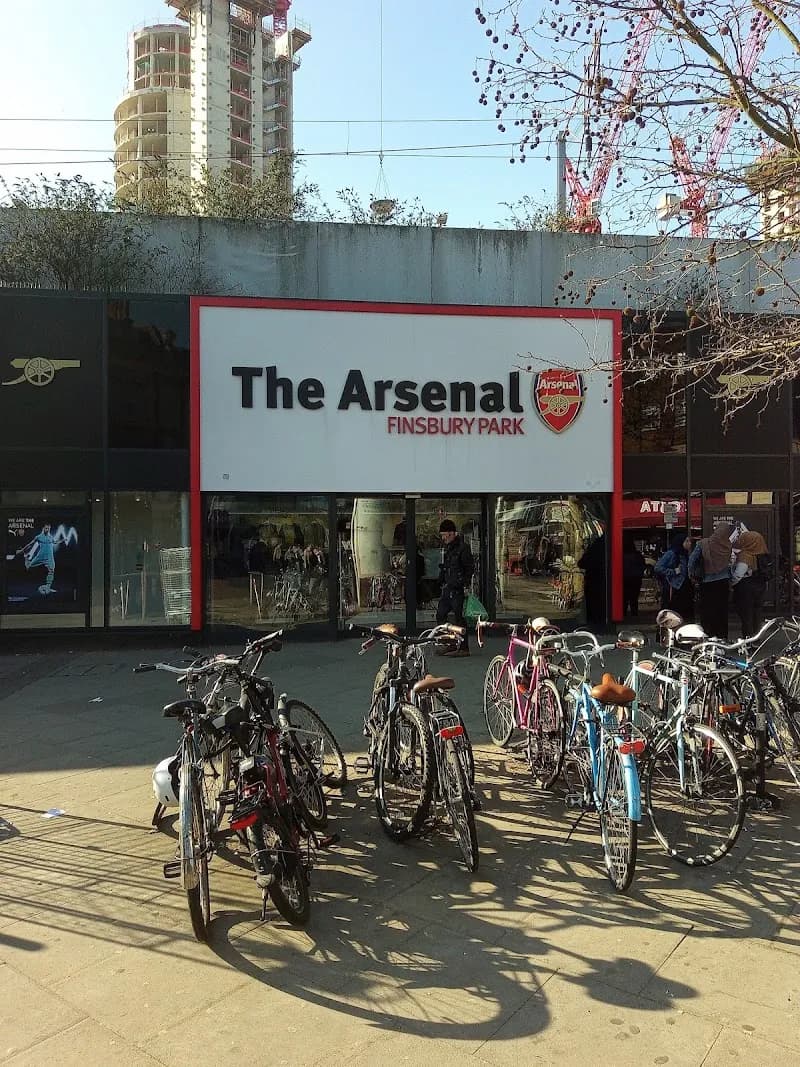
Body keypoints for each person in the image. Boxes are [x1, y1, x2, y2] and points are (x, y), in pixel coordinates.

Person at [688, 522, 734, 639]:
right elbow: (730, 563)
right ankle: (722, 637)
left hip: (707, 582)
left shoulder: (703, 543)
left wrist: (692, 576)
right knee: (721, 611)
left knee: (707, 610)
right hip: (723, 582)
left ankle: (708, 635)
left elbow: (692, 561)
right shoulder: (728, 545)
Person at [436, 518, 474, 656]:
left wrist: (463, 583)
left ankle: (463, 648)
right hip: (448, 588)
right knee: (440, 615)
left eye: (444, 535)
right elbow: (446, 567)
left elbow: (469, 568)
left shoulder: (463, 548)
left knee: (459, 619)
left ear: (451, 533)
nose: (443, 538)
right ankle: (450, 644)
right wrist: (440, 580)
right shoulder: (449, 548)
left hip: (457, 589)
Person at [730, 530, 770, 637]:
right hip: (760, 587)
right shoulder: (764, 554)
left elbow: (738, 574)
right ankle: (757, 639)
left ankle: (748, 639)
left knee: (746, 616)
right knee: (757, 615)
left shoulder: (745, 555)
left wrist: (731, 584)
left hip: (746, 589)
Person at [654, 530, 695, 620]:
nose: (689, 543)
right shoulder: (672, 553)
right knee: (674, 612)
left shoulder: (685, 554)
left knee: (686, 612)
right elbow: (658, 567)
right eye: (686, 541)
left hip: (685, 586)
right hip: (674, 587)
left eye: (689, 541)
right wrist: (673, 571)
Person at [578, 527, 606, 628]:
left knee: (592, 603)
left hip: (593, 580)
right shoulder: (605, 546)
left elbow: (581, 563)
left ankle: (593, 622)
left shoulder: (594, 548)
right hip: (602, 581)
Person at [622, 535, 646, 617]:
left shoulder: (621, 555)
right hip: (635, 578)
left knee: (624, 598)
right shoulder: (637, 555)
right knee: (634, 598)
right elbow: (643, 565)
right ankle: (634, 614)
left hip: (624, 578)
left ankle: (623, 613)